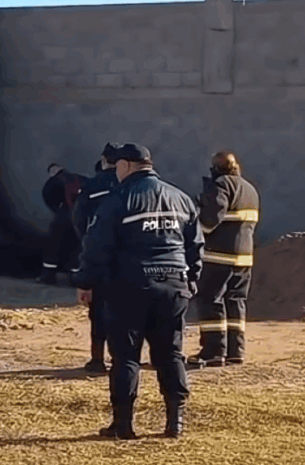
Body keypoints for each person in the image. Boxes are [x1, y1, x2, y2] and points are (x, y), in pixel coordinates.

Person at [70, 143, 204, 440]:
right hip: (173, 285)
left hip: (129, 286)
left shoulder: (118, 200)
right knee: (170, 353)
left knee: (126, 357)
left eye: (117, 166)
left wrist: (85, 281)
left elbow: (97, 246)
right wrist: (191, 279)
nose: (115, 171)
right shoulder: (180, 198)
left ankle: (124, 425)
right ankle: (175, 422)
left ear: (127, 166)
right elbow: (195, 246)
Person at [187, 151, 260, 368]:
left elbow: (210, 221)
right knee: (236, 301)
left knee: (210, 300)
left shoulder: (220, 185)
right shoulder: (250, 189)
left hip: (219, 256)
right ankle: (236, 351)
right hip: (244, 257)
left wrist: (194, 228)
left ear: (216, 169)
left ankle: (213, 351)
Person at [71, 143, 120, 373]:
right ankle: (124, 358)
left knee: (98, 311)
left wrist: (87, 242)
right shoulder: (131, 184)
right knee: (127, 311)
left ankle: (97, 359)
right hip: (128, 257)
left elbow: (78, 219)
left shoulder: (91, 186)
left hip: (100, 256)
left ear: (103, 159)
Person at [37, 163, 88, 285]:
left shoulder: (53, 181)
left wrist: (58, 210)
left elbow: (47, 196)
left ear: (52, 172)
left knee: (53, 246)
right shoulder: (79, 178)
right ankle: (74, 277)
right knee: (76, 246)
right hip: (80, 217)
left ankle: (48, 275)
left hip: (64, 216)